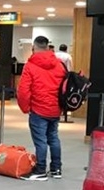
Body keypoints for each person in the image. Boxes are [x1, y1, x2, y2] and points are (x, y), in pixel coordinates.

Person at [16, 36, 66, 181]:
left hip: (38, 109)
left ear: (34, 47)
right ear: (47, 47)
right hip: (55, 109)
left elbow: (23, 90)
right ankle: (56, 169)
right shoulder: (59, 65)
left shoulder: (30, 65)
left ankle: (40, 170)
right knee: (54, 138)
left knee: (40, 141)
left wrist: (25, 108)